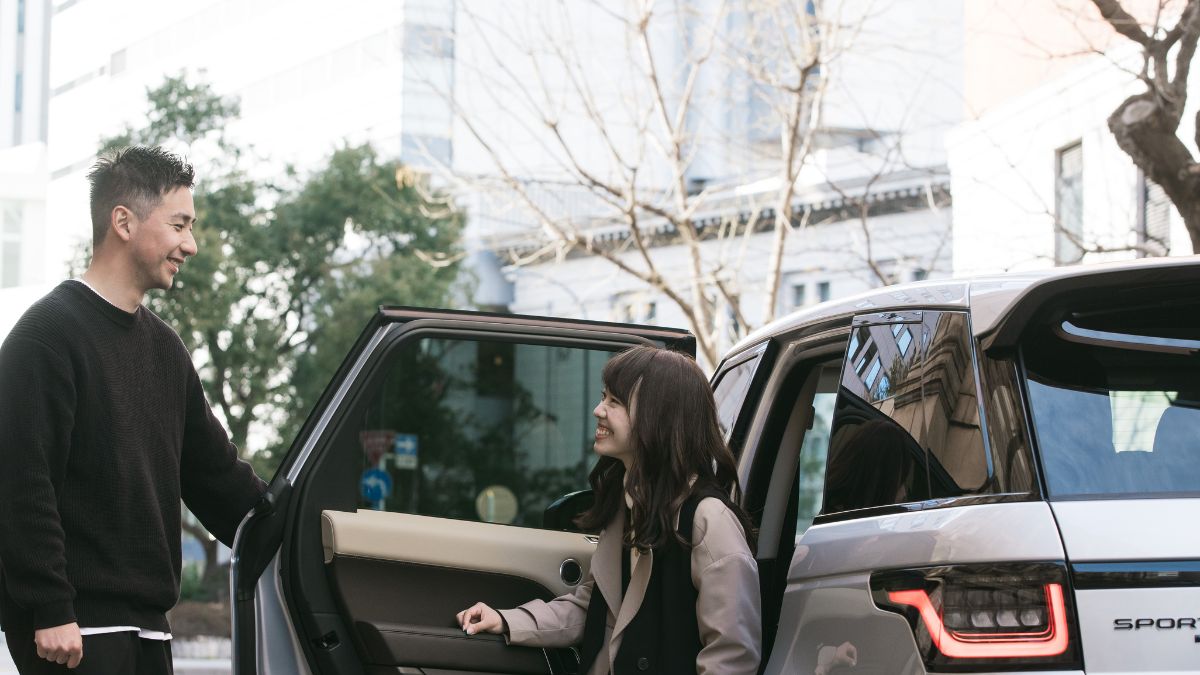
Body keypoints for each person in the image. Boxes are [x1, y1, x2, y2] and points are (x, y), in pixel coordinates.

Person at [0, 146, 267, 673]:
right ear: (123, 221)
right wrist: (50, 606)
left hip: (149, 628)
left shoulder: (164, 351)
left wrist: (300, 522)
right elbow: (19, 481)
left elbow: (217, 477)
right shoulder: (46, 337)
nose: (190, 245)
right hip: (74, 633)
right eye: (179, 224)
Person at [457, 346, 761, 675]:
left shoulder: (708, 520)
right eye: (604, 397)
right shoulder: (626, 508)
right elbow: (595, 610)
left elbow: (731, 656)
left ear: (657, 416)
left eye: (614, 402)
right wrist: (506, 620)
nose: (598, 410)